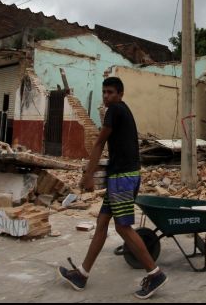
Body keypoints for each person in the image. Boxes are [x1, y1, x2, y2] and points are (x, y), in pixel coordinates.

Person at [59, 77, 168, 299]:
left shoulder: (115, 110)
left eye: (110, 92)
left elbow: (99, 143)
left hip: (122, 177)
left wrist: (88, 175)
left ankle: (155, 274)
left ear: (120, 94)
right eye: (104, 92)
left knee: (123, 227)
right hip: (120, 176)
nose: (106, 96)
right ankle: (81, 274)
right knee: (101, 223)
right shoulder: (121, 110)